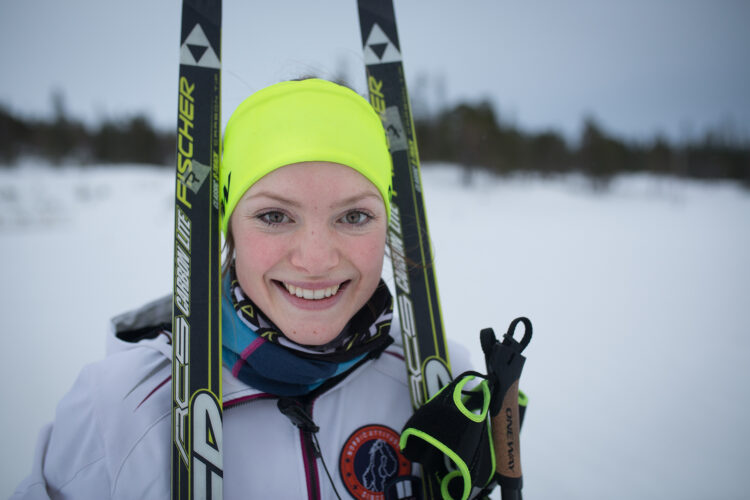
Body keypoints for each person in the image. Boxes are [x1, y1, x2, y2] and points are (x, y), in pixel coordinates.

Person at [11, 78, 474, 499]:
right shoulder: (117, 409)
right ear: (228, 227)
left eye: (353, 216)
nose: (315, 259)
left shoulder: (438, 380)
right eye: (275, 216)